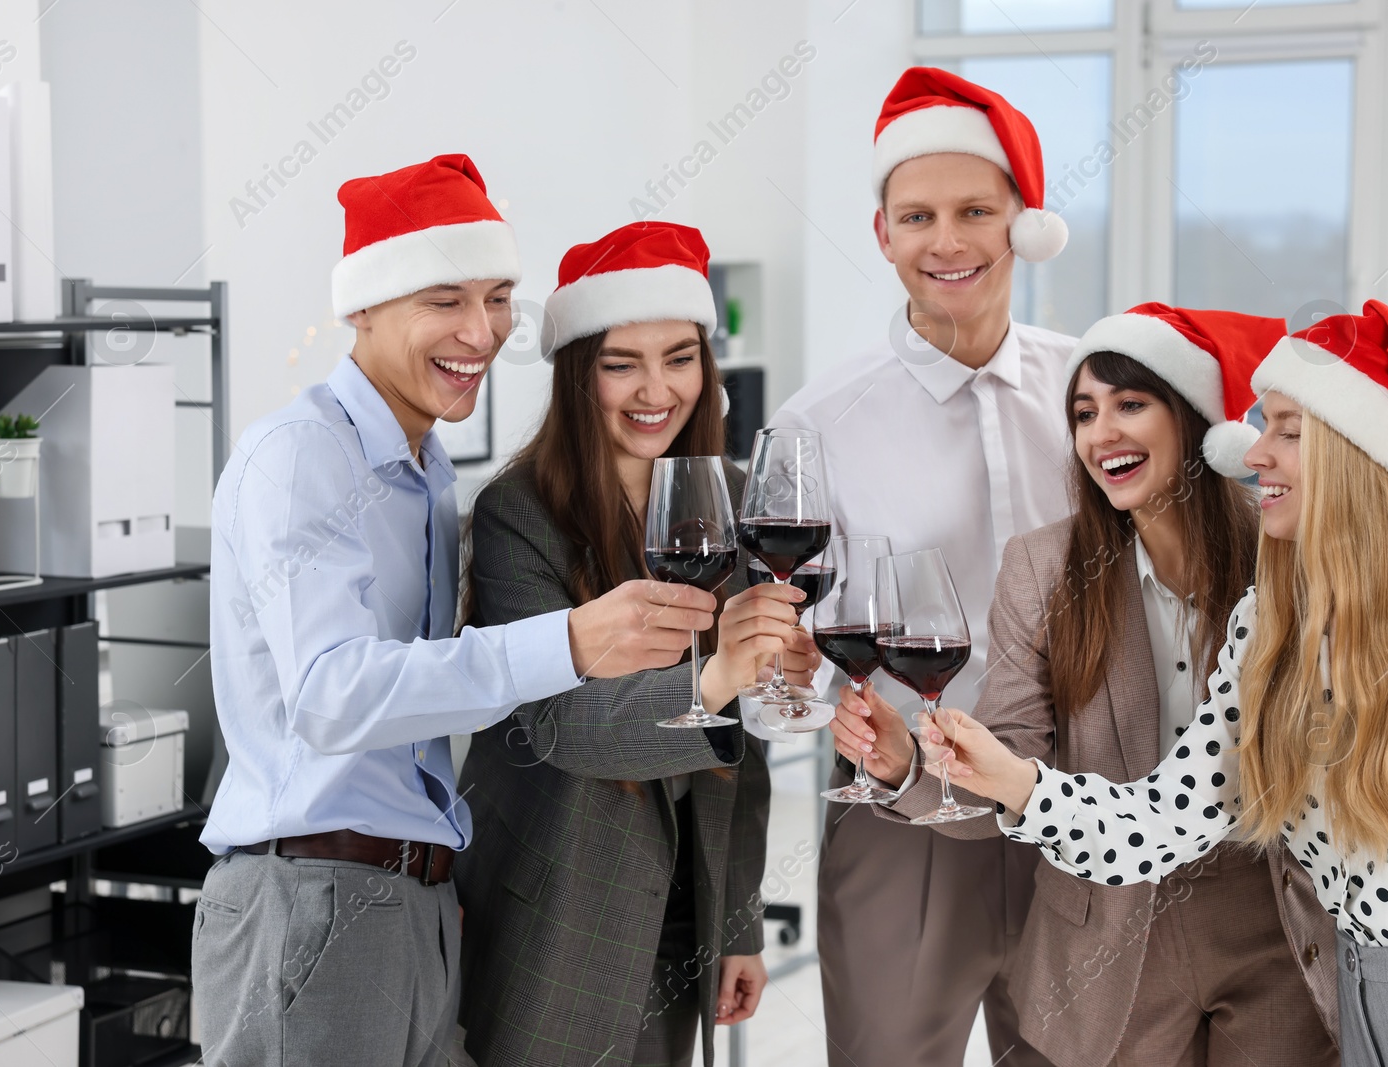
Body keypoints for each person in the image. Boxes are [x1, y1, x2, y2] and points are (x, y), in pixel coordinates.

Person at [192, 157, 722, 1067]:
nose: (481, 331)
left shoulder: (425, 472)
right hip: (313, 897)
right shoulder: (302, 456)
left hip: (424, 900)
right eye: (446, 299)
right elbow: (331, 693)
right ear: (363, 306)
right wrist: (572, 639)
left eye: (498, 297)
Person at [924, 302, 1388, 1067]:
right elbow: (1164, 819)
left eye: (1287, 431)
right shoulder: (1272, 619)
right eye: (1261, 423)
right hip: (1357, 988)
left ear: (1360, 453)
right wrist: (1018, 783)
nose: (1252, 452)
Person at [835, 304, 1341, 1066]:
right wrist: (908, 764)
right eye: (1083, 413)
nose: (1102, 433)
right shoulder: (1043, 569)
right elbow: (1010, 774)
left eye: (1130, 404)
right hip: (1105, 936)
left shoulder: (1286, 554)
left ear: (1195, 418)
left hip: (1271, 925)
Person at [769, 66, 1072, 1067]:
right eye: (918, 215)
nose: (947, 241)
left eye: (975, 210)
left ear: (1021, 223)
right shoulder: (819, 422)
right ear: (883, 233)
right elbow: (784, 646)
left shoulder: (1093, 390)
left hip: (1081, 810)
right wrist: (841, 713)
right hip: (905, 819)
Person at [455, 222, 812, 1067]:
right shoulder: (519, 517)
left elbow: (739, 752)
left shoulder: (724, 499)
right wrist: (723, 668)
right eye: (622, 363)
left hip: (683, 908)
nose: (657, 388)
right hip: (562, 909)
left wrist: (737, 922)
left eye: (680, 357)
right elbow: (564, 728)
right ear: (580, 376)